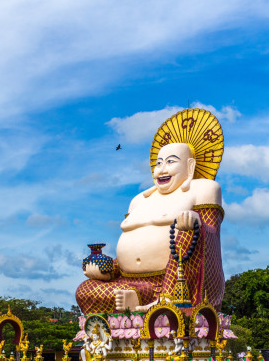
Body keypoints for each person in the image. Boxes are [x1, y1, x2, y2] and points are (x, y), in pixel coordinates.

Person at [75, 108, 225, 314]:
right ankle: (136, 300)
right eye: (158, 163)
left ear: (190, 166)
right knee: (84, 291)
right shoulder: (138, 200)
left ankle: (167, 301)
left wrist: (196, 223)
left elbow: (212, 233)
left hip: (178, 283)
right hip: (132, 283)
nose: (161, 169)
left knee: (187, 232)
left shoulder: (203, 189)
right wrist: (106, 271)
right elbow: (133, 247)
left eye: (170, 162)